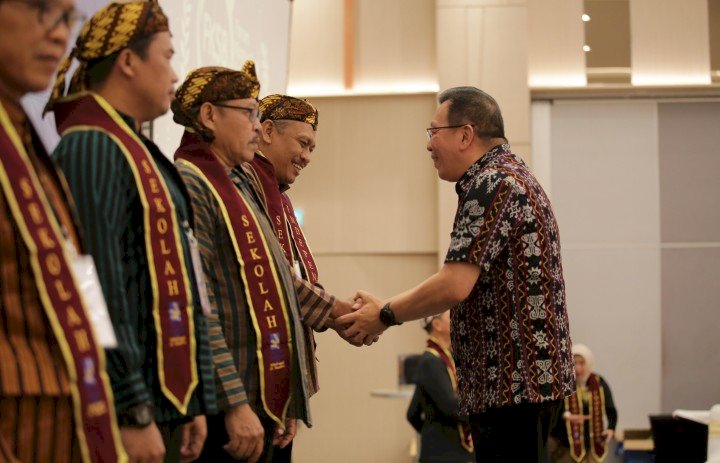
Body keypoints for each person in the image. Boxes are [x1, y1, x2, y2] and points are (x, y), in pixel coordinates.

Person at [338, 86, 575, 462]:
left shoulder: (492, 183)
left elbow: (453, 285)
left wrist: (385, 314)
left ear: (465, 135)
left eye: (433, 132)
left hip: (510, 389)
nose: (428, 145)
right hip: (522, 388)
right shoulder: (511, 176)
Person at [46, 2, 217, 462]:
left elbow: (183, 284)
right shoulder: (89, 146)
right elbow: (93, 286)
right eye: (167, 56)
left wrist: (189, 401)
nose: (175, 74)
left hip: (162, 402)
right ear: (127, 61)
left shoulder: (133, 148)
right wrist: (130, 408)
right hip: (125, 408)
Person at [171, 65, 356, 463]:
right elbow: (198, 306)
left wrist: (286, 395)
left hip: (262, 397)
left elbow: (274, 279)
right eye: (249, 114)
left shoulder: (238, 182)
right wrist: (235, 401)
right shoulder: (191, 181)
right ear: (208, 116)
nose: (256, 128)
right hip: (228, 400)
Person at [0, 0, 126, 462]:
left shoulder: (27, 140)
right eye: (40, 10)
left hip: (75, 413)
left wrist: (117, 395)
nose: (59, 34)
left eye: (67, 18)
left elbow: (80, 275)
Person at [407, 311, 475, 463]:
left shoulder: (445, 358)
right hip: (445, 454)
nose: (456, 319)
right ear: (437, 325)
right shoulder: (431, 361)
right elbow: (452, 406)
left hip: (450, 451)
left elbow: (412, 412)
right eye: (450, 316)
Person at [549, 344, 617, 463]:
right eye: (574, 363)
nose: (578, 368)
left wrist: (611, 428)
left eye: (582, 363)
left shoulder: (599, 382)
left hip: (593, 443)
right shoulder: (563, 383)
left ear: (589, 363)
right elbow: (553, 411)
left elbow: (610, 409)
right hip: (566, 444)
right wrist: (566, 416)